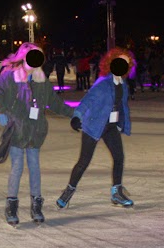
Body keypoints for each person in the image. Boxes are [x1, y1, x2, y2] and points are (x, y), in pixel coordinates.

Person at [0, 42, 75, 226]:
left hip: (36, 131)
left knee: (35, 166)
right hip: (17, 129)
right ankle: (11, 205)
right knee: (18, 166)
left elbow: (54, 103)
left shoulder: (41, 80)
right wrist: (0, 111)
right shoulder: (11, 77)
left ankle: (36, 205)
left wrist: (73, 113)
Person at [56, 47, 135, 210]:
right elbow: (87, 101)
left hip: (111, 126)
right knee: (83, 161)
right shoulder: (103, 84)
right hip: (93, 124)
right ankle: (68, 191)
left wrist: (123, 123)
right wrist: (76, 116)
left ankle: (117, 193)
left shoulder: (123, 85)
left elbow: (122, 105)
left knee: (119, 157)